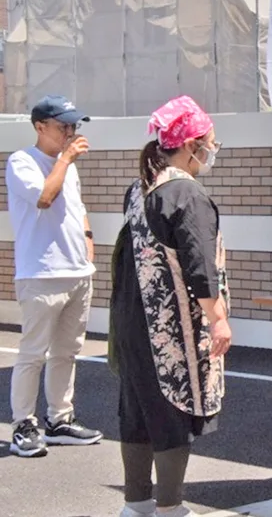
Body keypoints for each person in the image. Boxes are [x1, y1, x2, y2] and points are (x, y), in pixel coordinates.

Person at [110, 96, 232, 517]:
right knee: (172, 410)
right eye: (211, 143)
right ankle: (169, 507)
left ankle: (136, 503)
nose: (213, 150)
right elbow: (200, 265)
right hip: (171, 326)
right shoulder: (186, 193)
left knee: (138, 411)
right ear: (191, 144)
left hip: (133, 320)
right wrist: (218, 319)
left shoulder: (140, 188)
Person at [6, 94, 102, 458]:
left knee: (67, 352)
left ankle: (60, 420)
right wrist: (64, 159)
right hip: (41, 274)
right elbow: (45, 198)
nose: (70, 133)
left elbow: (76, 207)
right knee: (33, 353)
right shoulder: (22, 162)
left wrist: (88, 239)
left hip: (77, 272)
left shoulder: (68, 166)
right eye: (63, 126)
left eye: (73, 126)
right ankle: (23, 425)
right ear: (39, 126)